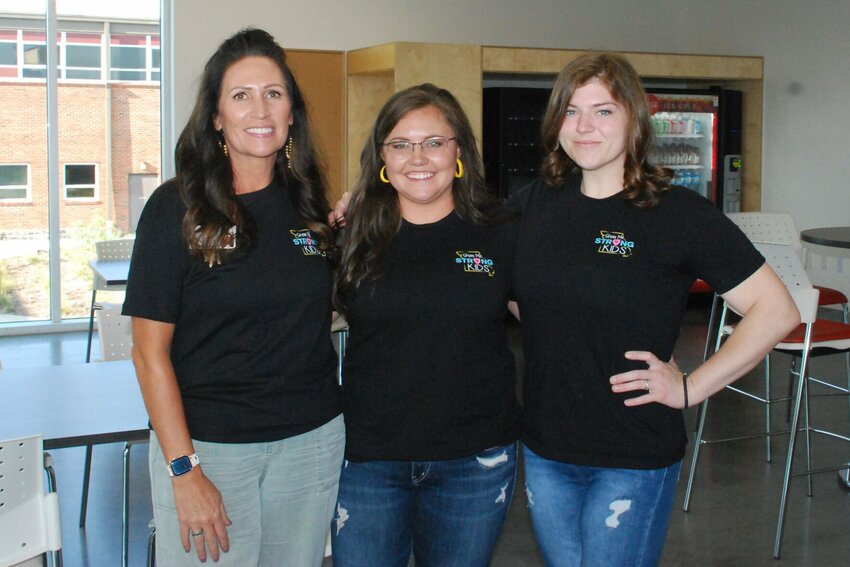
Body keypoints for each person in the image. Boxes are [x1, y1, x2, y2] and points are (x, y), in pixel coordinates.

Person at [511, 53, 800, 566]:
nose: (584, 127)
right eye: (571, 111)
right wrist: (371, 201)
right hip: (546, 448)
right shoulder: (532, 205)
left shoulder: (676, 213)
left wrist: (691, 386)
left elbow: (775, 310)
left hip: (632, 453)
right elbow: (488, 274)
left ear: (634, 121)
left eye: (603, 111)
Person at [123, 28, 344, 566]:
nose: (260, 108)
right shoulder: (176, 207)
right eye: (241, 95)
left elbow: (324, 310)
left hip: (310, 444)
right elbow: (148, 352)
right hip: (210, 450)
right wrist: (184, 469)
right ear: (217, 116)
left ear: (292, 111)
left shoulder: (311, 207)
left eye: (274, 93)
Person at [330, 83, 521, 567]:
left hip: (475, 462)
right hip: (369, 460)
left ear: (459, 150)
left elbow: (556, 317)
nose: (418, 157)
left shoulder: (501, 231)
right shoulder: (351, 234)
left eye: (434, 142)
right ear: (382, 156)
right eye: (400, 144)